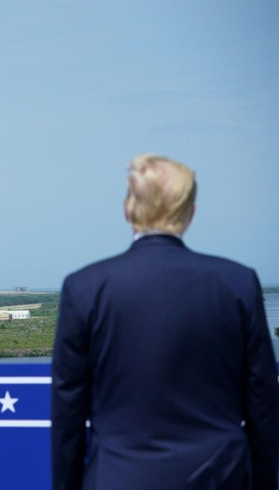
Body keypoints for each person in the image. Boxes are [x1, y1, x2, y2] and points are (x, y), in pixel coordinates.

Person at [51, 154, 279, 489]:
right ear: (189, 213)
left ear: (128, 209)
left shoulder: (85, 287)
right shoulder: (238, 284)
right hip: (221, 476)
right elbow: (263, 403)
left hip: (118, 477)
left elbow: (68, 415)